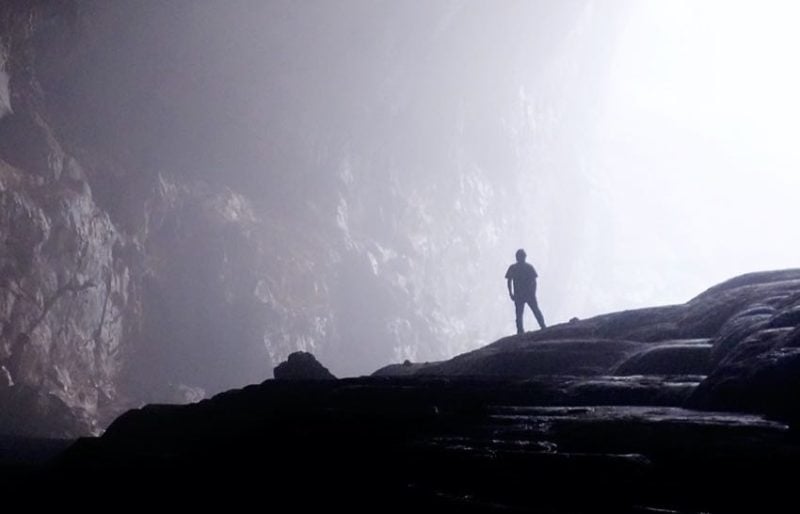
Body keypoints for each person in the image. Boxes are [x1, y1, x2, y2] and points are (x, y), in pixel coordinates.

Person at [505, 249, 546, 334]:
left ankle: (541, 326)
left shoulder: (518, 267)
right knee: (523, 313)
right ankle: (540, 327)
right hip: (523, 294)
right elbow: (509, 281)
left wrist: (511, 293)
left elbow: (509, 281)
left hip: (524, 294)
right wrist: (510, 293)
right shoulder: (524, 267)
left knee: (530, 312)